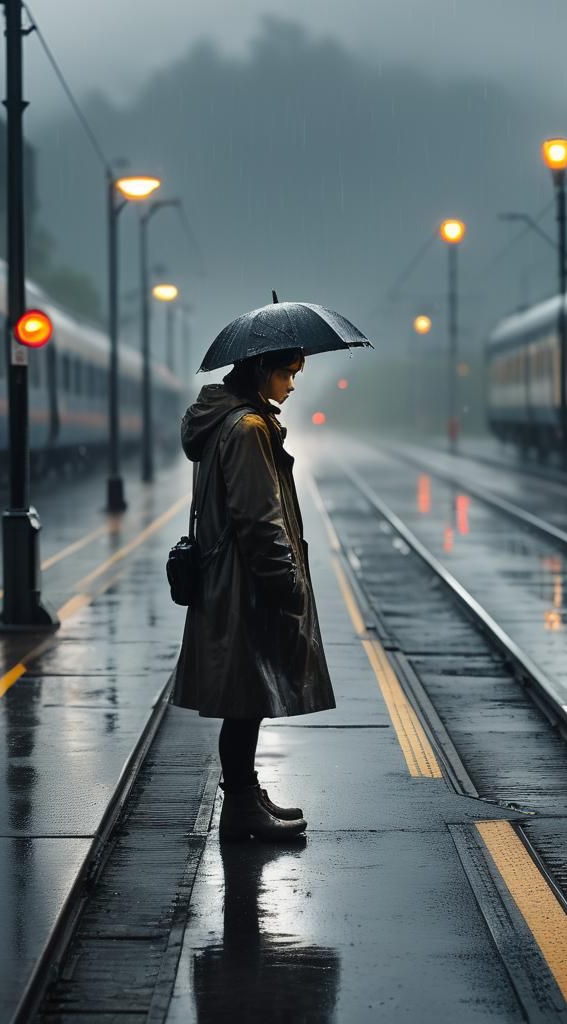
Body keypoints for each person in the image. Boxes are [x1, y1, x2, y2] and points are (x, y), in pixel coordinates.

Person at [168, 347, 335, 841]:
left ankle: (245, 793)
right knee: (246, 698)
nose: (292, 384)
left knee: (249, 697)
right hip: (246, 583)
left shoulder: (234, 421)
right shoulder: (247, 429)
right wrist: (288, 586)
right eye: (287, 372)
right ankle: (240, 806)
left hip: (233, 577)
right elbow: (260, 521)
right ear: (262, 370)